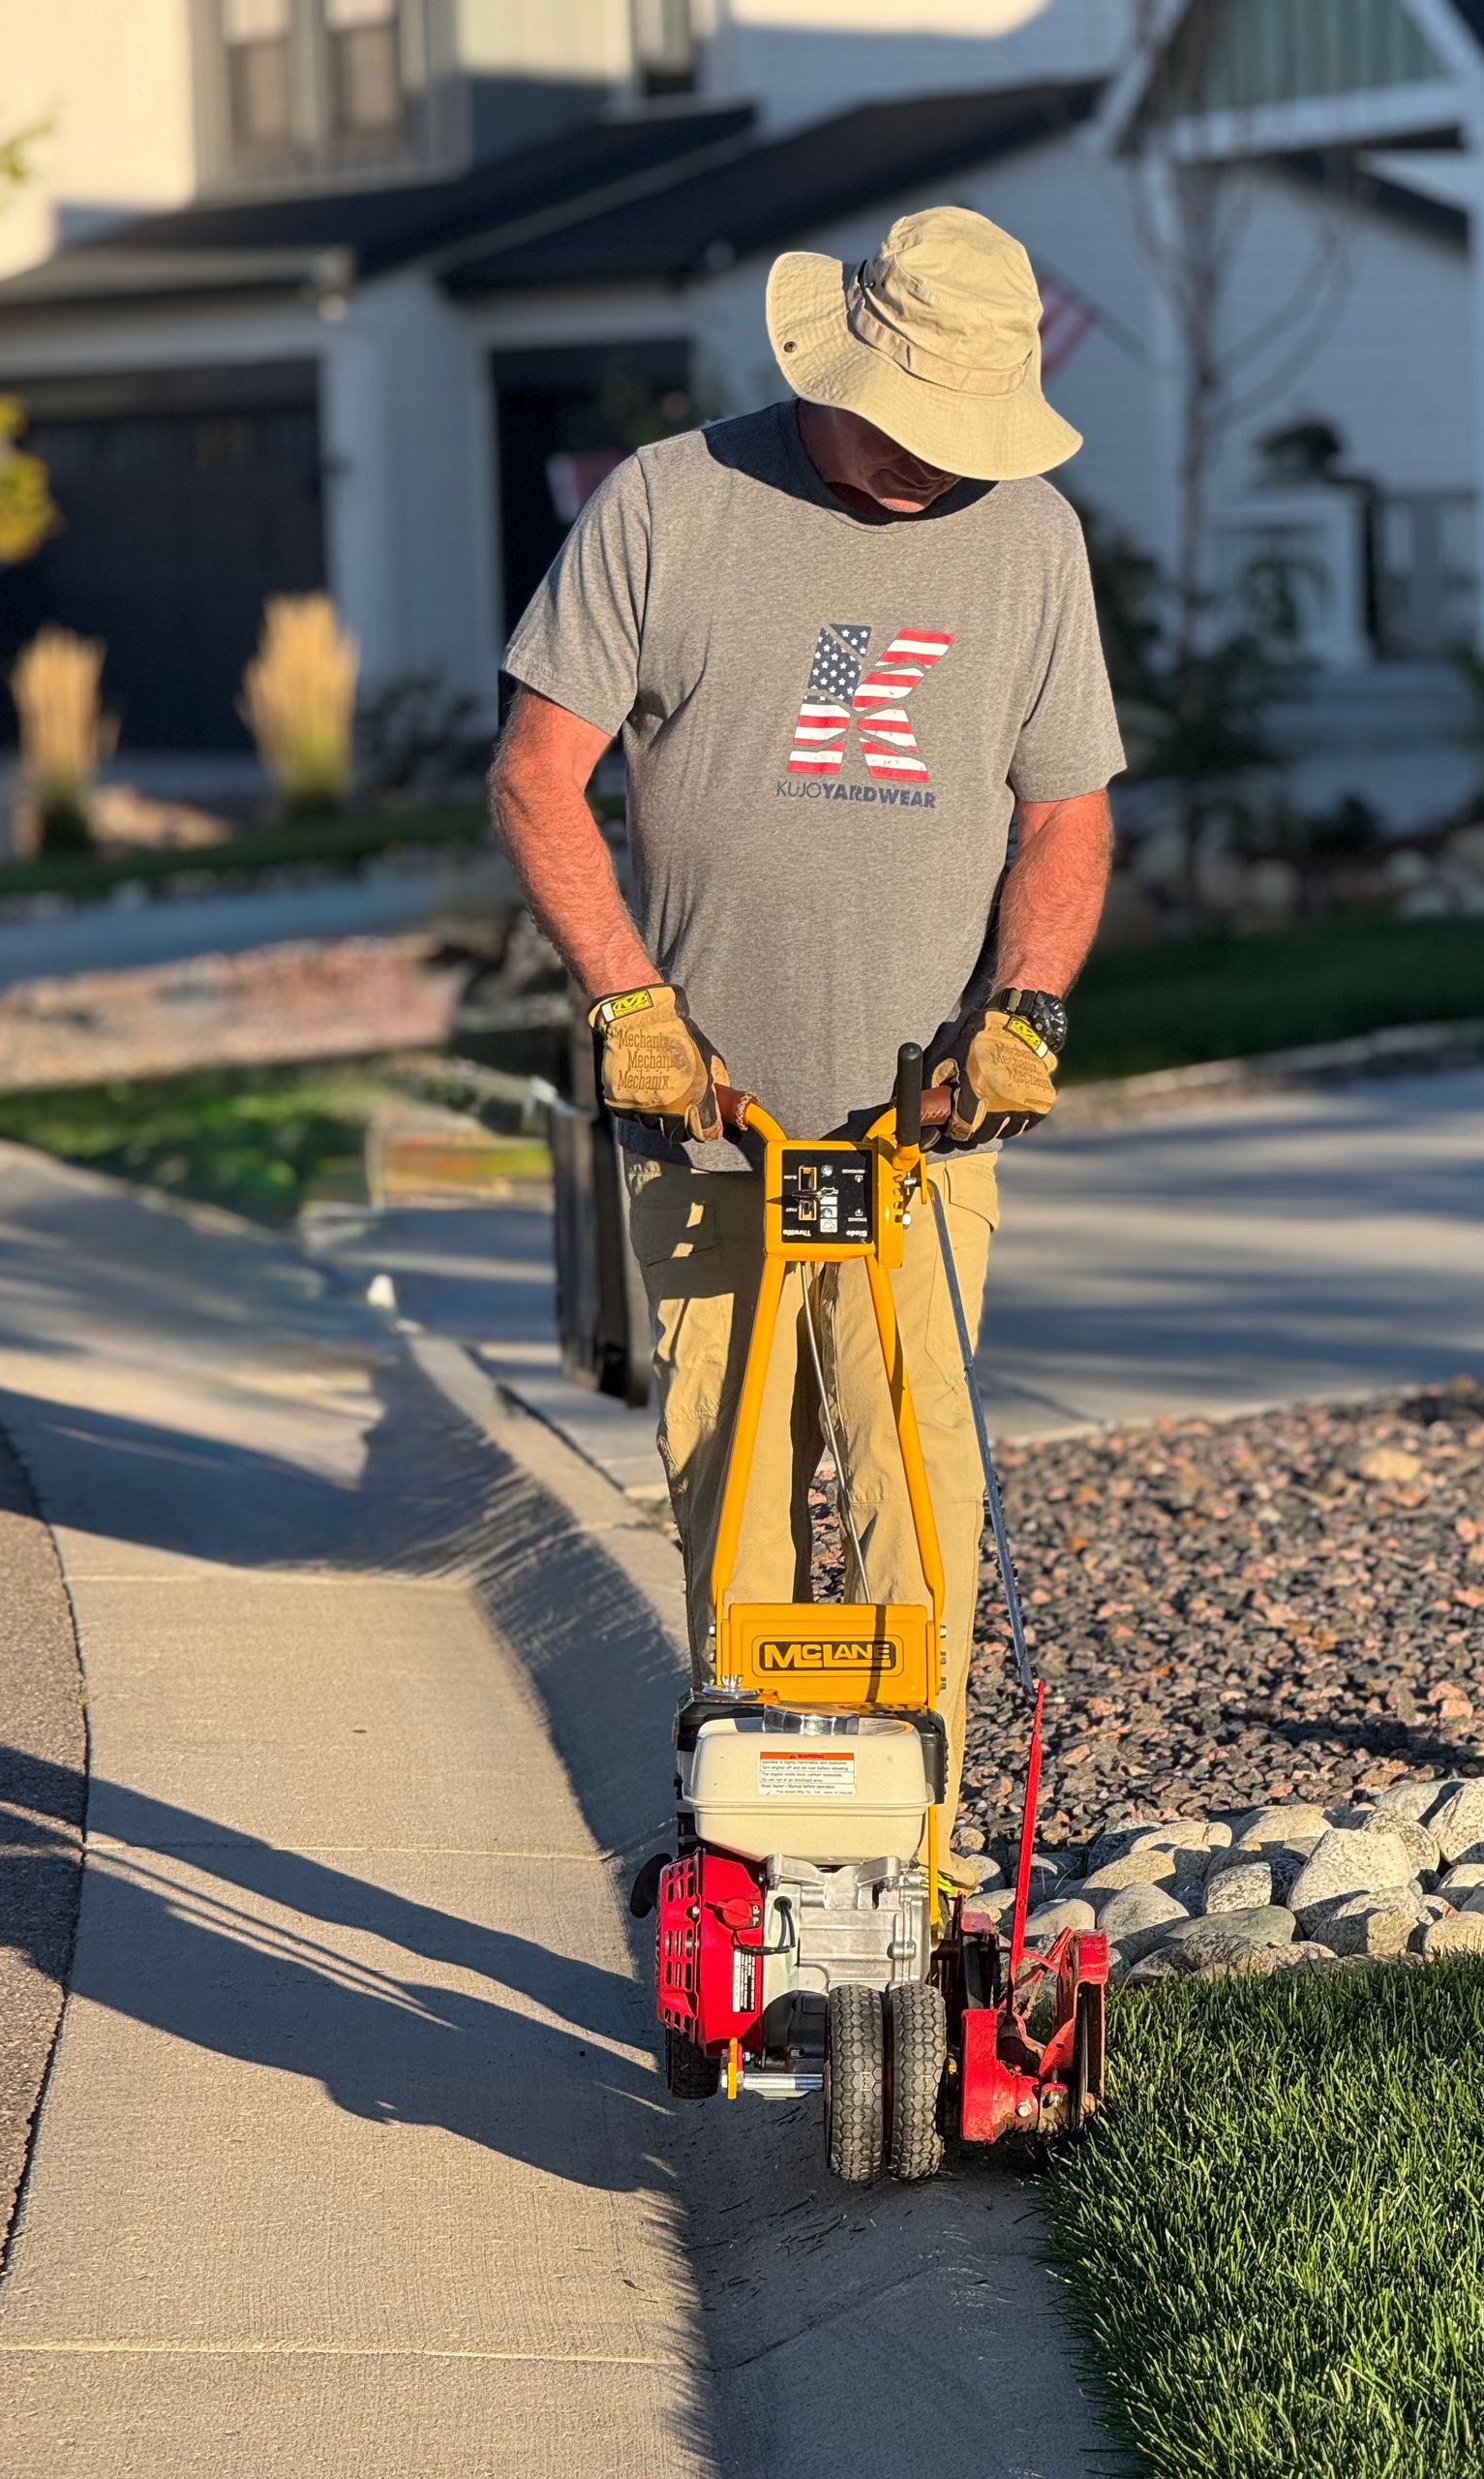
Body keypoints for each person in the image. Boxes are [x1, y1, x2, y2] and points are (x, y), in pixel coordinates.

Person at [490, 204, 1124, 1841]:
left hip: (924, 1133)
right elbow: (536, 775)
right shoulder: (670, 503)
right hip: (713, 1117)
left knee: (927, 1511)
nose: (939, 463)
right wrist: (631, 1004)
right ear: (835, 367)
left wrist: (1026, 1016)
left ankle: (908, 1888)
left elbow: (1063, 816)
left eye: (966, 435)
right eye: (915, 427)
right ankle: (754, 1862)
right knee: (739, 1510)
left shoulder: (1031, 538)